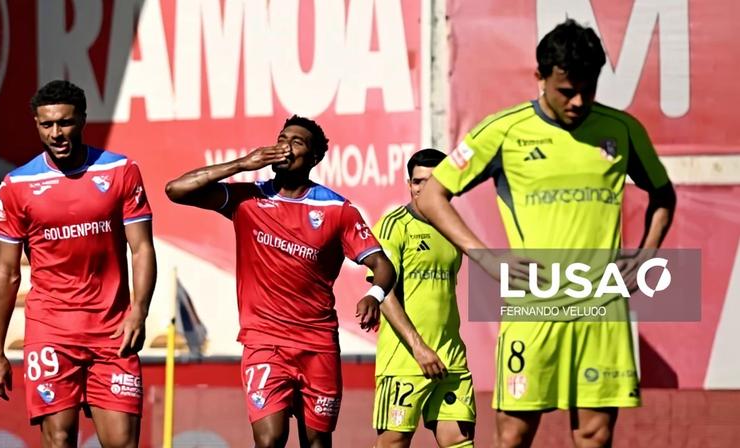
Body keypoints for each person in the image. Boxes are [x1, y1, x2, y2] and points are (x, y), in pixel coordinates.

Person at [416, 19, 676, 448]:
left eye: (587, 89)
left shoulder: (621, 130)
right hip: (533, 309)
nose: (578, 102)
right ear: (540, 78)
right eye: (566, 90)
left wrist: (646, 256)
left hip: (602, 308)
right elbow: (432, 197)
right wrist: (487, 258)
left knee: (594, 434)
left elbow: (663, 195)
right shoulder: (503, 131)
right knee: (514, 434)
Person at [165, 115, 396, 448]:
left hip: (317, 344)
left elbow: (382, 264)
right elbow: (176, 190)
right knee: (270, 438)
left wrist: (374, 295)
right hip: (264, 342)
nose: (285, 146)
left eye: (297, 142)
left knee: (316, 442)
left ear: (314, 158)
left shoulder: (336, 210)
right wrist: (243, 164)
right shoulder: (247, 199)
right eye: (282, 138)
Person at [0, 80, 157, 448]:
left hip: (112, 331)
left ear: (82, 120)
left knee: (123, 443)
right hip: (51, 331)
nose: (56, 133)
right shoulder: (17, 184)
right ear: (36, 123)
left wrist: (139, 312)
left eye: (64, 123)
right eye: (47, 125)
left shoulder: (120, 171)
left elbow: (141, 249)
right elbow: (7, 272)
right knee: (59, 439)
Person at [370, 148, 476, 448]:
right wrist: (419, 348)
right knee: (393, 442)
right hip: (405, 360)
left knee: (458, 442)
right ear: (409, 184)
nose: (423, 190)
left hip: (451, 358)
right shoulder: (394, 226)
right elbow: (383, 290)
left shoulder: (454, 229)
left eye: (432, 182)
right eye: (418, 182)